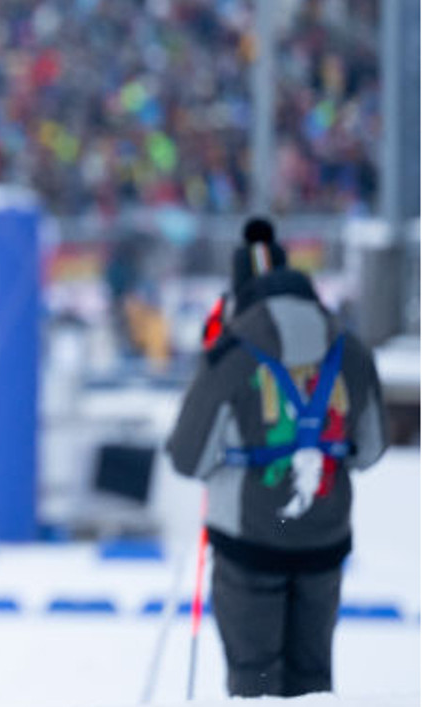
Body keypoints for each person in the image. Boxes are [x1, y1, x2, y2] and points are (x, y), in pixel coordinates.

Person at [164, 217, 387, 698]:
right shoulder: (352, 351)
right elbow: (369, 451)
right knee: (312, 679)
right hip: (326, 538)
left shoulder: (231, 354)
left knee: (255, 680)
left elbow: (187, 457)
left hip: (248, 541)